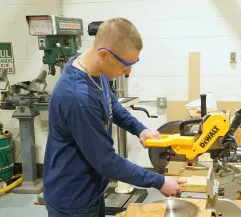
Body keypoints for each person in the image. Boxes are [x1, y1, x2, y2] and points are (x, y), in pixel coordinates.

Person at [43, 17, 185, 217]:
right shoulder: (78, 98)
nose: (128, 71)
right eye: (125, 65)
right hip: (73, 200)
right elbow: (106, 160)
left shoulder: (93, 69)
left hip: (91, 190)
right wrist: (159, 181)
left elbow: (112, 105)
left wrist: (140, 129)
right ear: (104, 54)